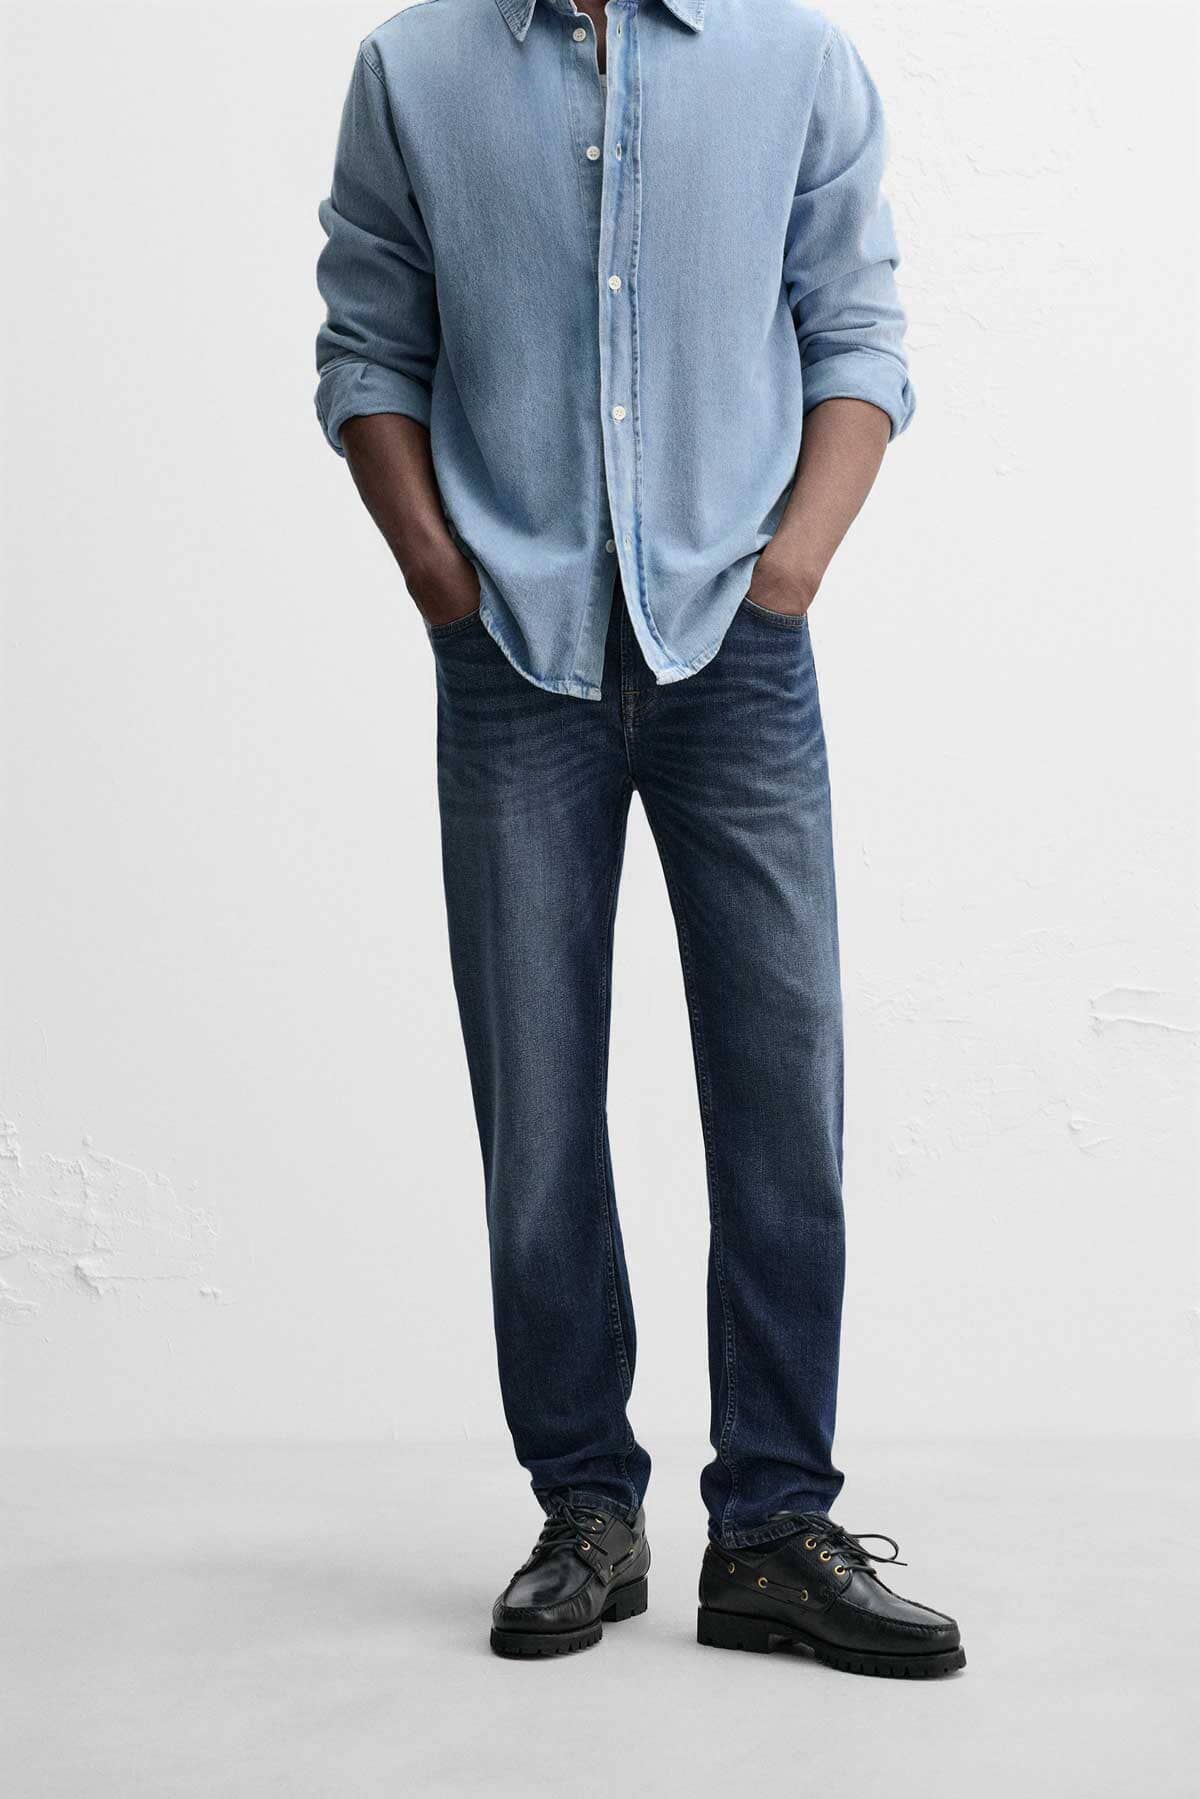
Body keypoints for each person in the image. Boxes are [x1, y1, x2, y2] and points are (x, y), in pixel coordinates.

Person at [315, 0, 964, 1678]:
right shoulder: (412, 70)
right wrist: (440, 578)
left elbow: (858, 334)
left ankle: (773, 1529)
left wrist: (791, 573)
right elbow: (368, 346)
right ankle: (585, 1513)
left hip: (737, 649)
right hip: (511, 659)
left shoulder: (798, 64)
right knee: (536, 1103)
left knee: (783, 1088)